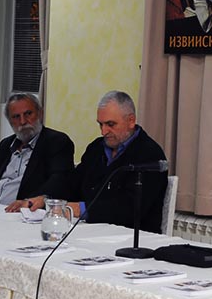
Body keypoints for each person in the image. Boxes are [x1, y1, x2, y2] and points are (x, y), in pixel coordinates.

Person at [30, 91, 168, 233]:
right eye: (100, 124)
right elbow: (72, 183)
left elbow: (131, 208)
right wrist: (47, 199)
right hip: (90, 231)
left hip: (133, 236)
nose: (103, 131)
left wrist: (81, 209)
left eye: (110, 124)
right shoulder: (96, 148)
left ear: (131, 121)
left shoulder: (150, 155)